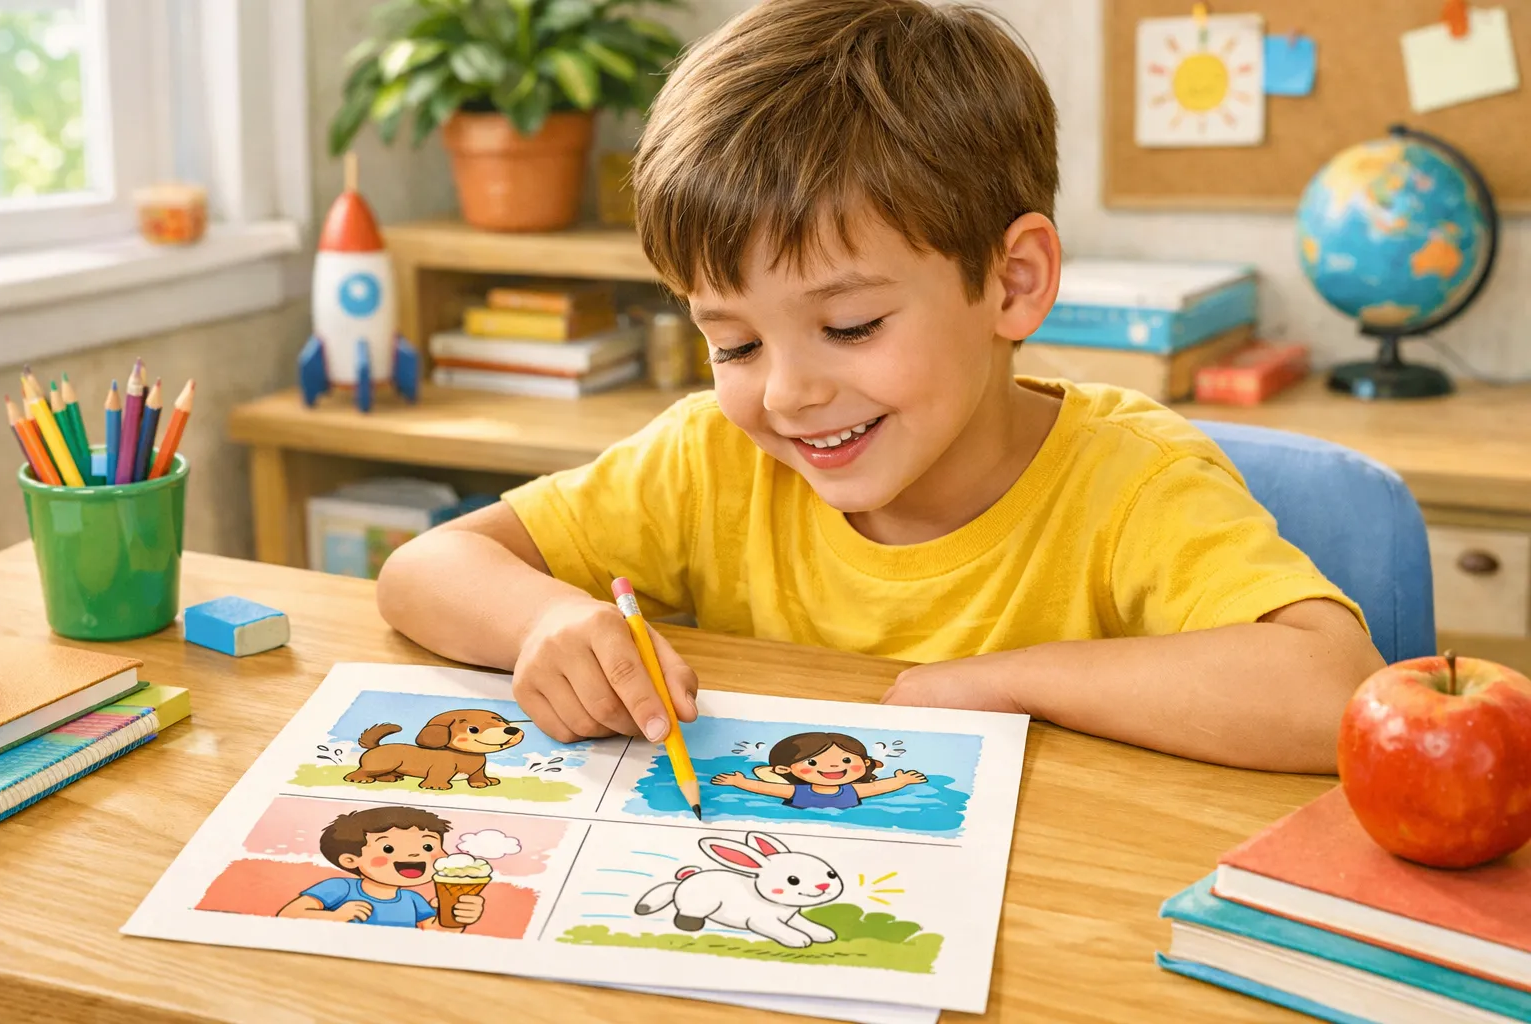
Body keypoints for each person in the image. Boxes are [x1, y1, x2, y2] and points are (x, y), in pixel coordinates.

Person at [376, 0, 1382, 774]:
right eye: (733, 344)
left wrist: (1002, 685)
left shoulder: (1129, 483)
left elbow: (1333, 690)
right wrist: (545, 620)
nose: (787, 395)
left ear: (1012, 282)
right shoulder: (710, 460)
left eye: (849, 326)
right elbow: (425, 568)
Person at [276, 806, 484, 930]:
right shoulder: (339, 888)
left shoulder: (413, 900)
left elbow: (433, 931)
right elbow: (288, 914)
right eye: (388, 848)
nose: (414, 855)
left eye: (428, 846)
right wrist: (335, 916)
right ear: (350, 860)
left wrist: (457, 919)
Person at [711, 731, 928, 809]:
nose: (834, 766)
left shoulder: (852, 790)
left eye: (846, 760)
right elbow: (766, 789)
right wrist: (739, 783)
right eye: (812, 763)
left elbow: (880, 787)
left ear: (865, 763)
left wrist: (903, 781)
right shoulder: (799, 792)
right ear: (785, 769)